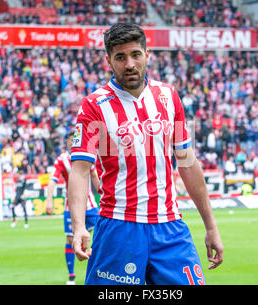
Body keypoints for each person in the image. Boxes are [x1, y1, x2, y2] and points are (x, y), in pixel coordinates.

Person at [67, 23, 223, 285]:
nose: (130, 64)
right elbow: (81, 170)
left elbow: (187, 162)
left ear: (147, 55)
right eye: (120, 57)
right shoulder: (94, 105)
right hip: (119, 227)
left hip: (170, 227)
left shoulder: (168, 96)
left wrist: (211, 225)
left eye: (135, 55)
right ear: (109, 61)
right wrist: (79, 226)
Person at [46, 131, 100, 285]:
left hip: (90, 206)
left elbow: (95, 175)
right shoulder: (62, 160)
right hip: (71, 206)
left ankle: (99, 269)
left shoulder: (88, 154)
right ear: (68, 142)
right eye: (72, 139)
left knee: (103, 232)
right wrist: (49, 201)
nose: (74, 141)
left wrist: (103, 195)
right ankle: (71, 276)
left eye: (76, 138)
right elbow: (52, 181)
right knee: (71, 239)